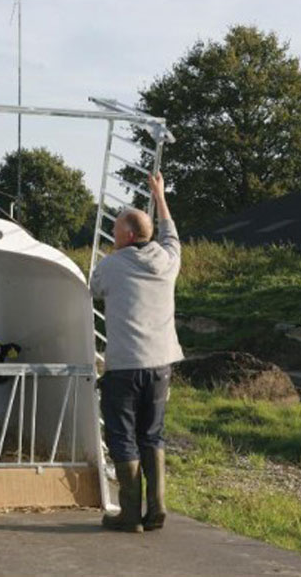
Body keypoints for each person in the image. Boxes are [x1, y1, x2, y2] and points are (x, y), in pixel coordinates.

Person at [90, 171, 184, 533]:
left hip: (125, 366)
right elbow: (170, 231)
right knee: (153, 435)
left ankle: (130, 513)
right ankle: (156, 508)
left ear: (128, 235)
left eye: (115, 230)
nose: (112, 236)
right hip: (161, 365)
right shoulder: (169, 260)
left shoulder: (112, 266)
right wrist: (159, 195)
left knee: (122, 435)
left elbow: (94, 289)